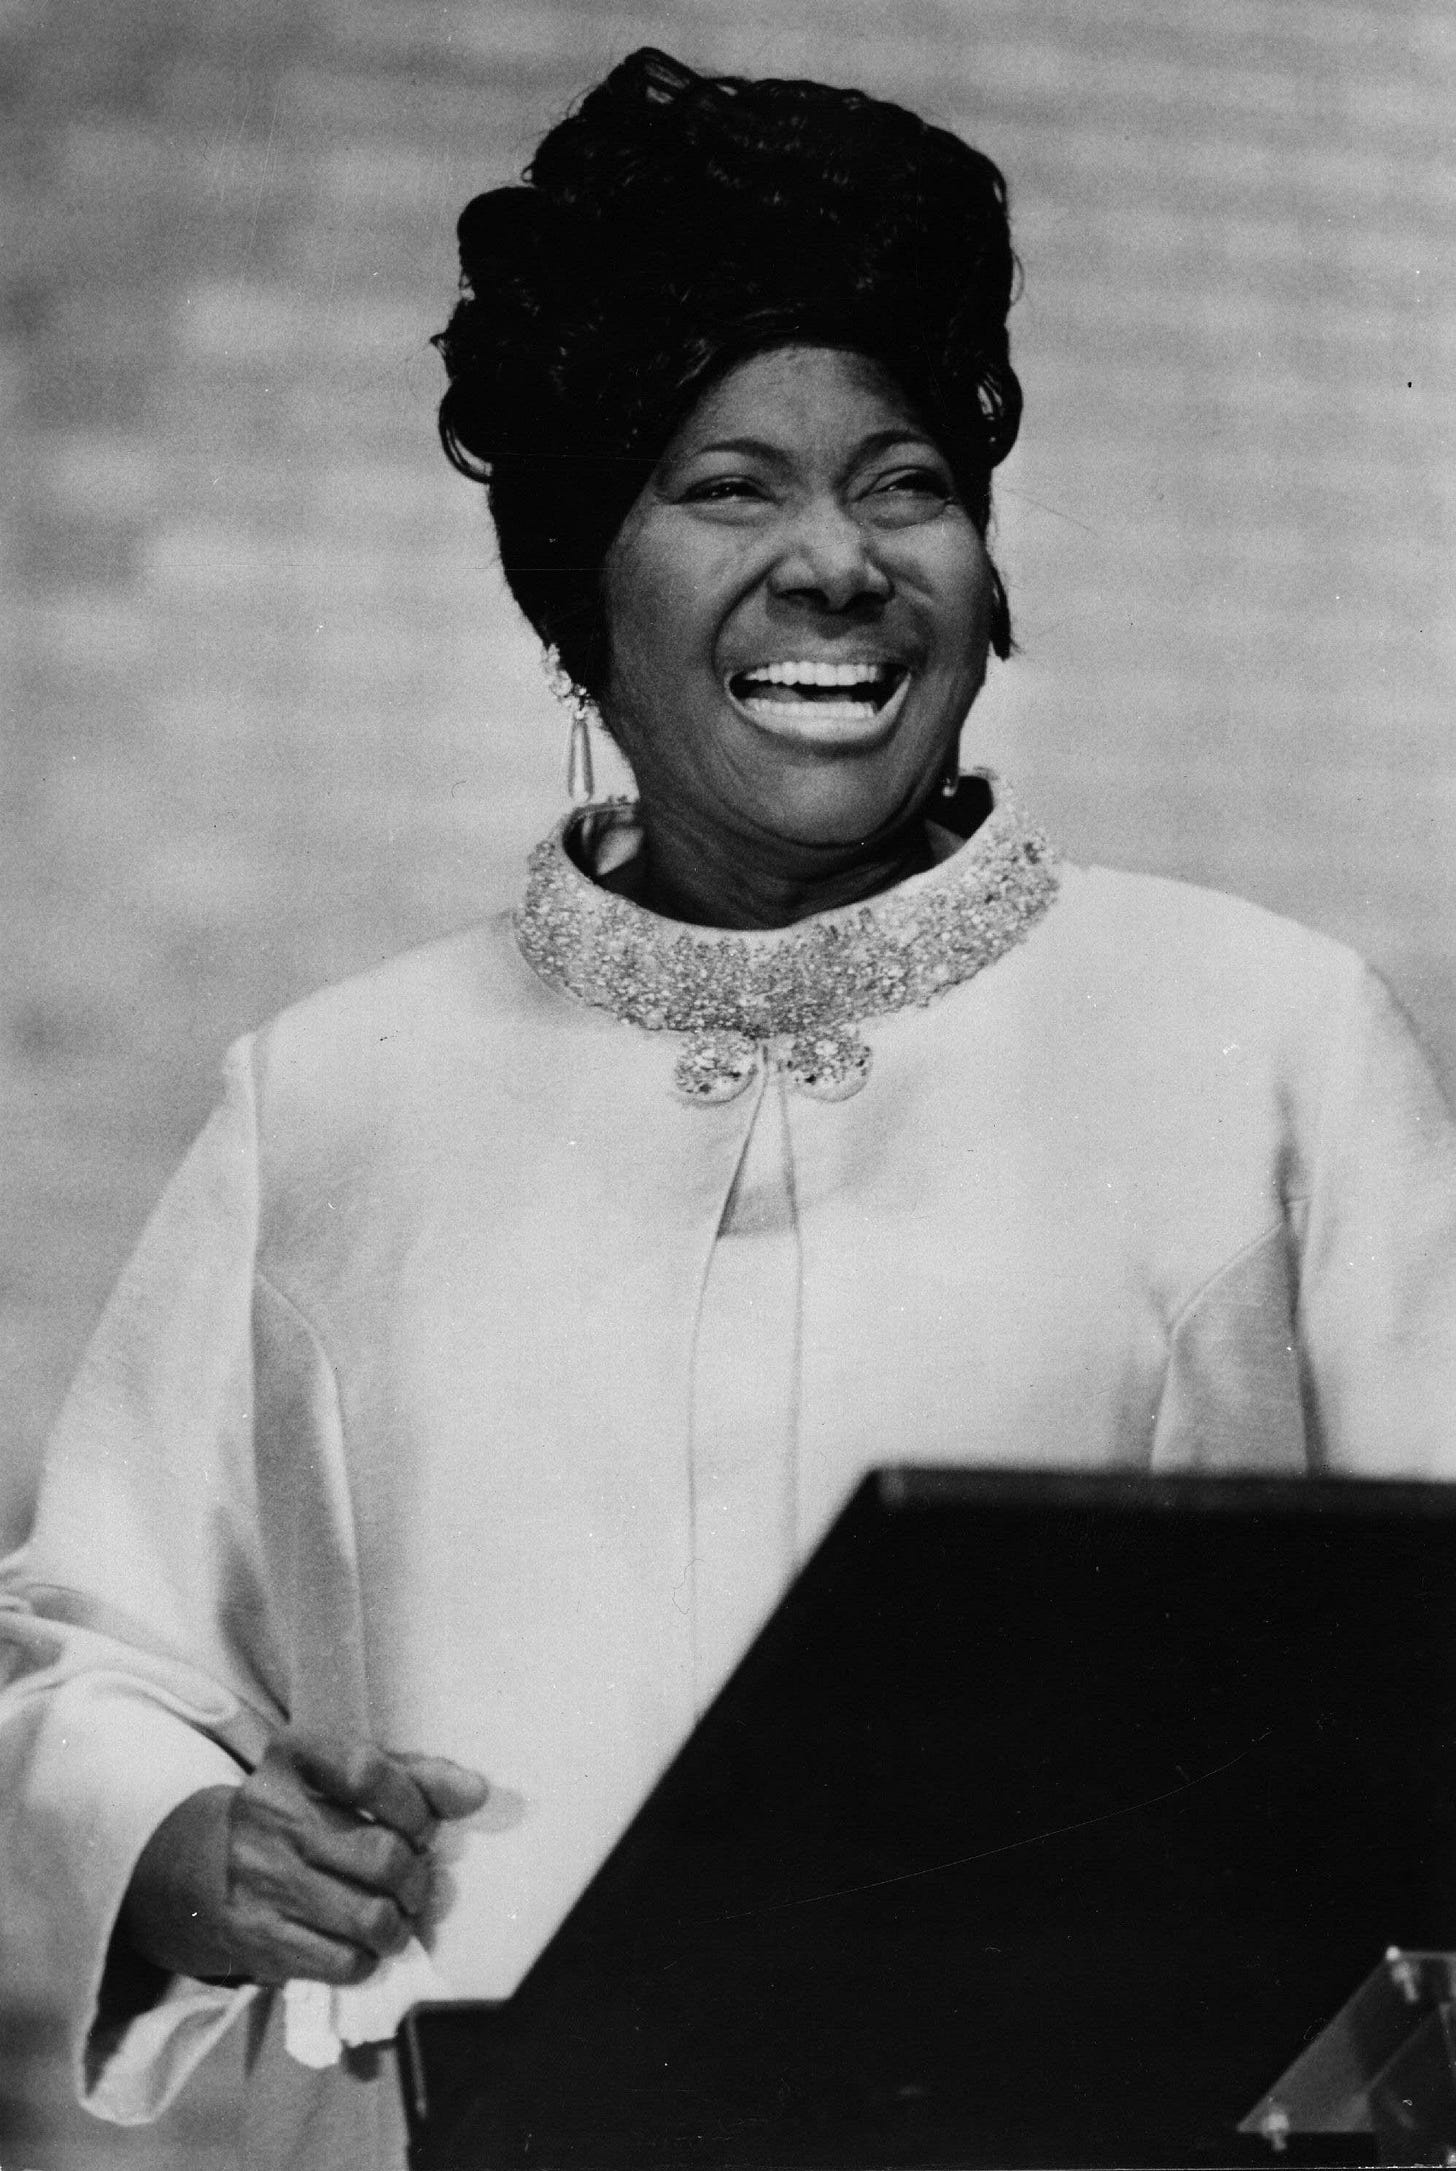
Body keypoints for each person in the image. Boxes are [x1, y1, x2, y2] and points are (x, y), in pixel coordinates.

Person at [2, 44, 1455, 2171]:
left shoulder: (1268, 1038)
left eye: (902, 480)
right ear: (580, 582)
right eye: (723, 484)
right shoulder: (332, 1104)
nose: (835, 564)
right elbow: (87, 1646)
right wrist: (186, 1838)